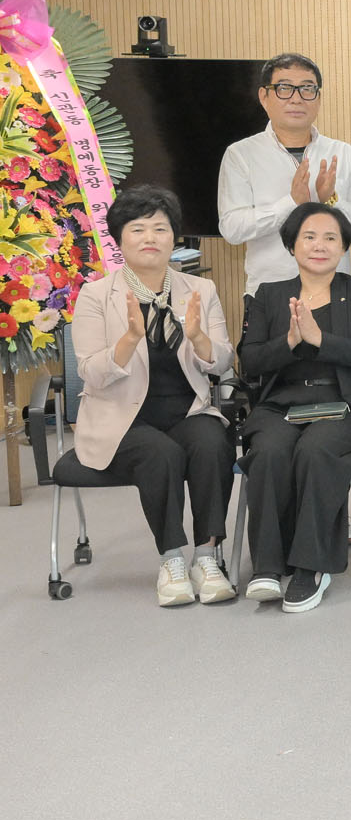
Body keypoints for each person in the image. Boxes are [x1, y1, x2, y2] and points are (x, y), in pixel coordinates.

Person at [54, 185, 236, 607]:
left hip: (187, 411)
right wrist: (130, 339)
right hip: (119, 420)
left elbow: (223, 362)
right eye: (138, 229)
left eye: (160, 228)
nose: (150, 237)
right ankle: (172, 560)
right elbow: (89, 372)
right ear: (120, 239)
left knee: (212, 442)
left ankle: (206, 557)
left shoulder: (200, 290)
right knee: (160, 453)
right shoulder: (96, 295)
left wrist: (198, 338)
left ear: (175, 237)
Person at [236, 202, 351, 613]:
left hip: (345, 403)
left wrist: (319, 338)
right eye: (309, 237)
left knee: (315, 449)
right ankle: (268, 566)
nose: (319, 245)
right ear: (292, 245)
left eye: (330, 238)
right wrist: (290, 341)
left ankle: (311, 567)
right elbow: (250, 361)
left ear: (343, 247)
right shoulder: (269, 295)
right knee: (269, 451)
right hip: (282, 403)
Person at [217, 52, 351, 294]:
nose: (296, 99)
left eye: (307, 89)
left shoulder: (342, 152)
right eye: (284, 88)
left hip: (334, 291)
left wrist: (330, 200)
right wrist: (291, 203)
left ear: (318, 97)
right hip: (270, 292)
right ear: (264, 96)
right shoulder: (241, 154)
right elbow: (232, 229)